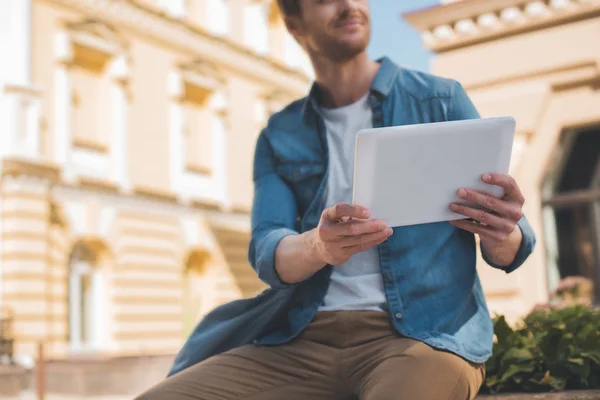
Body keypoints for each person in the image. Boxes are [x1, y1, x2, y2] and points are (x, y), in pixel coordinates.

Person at [137, 0, 536, 399]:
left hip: (423, 340)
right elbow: (267, 250)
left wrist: (502, 231)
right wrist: (318, 246)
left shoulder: (440, 100)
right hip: (301, 341)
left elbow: (510, 247)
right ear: (294, 25)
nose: (349, 6)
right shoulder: (280, 133)